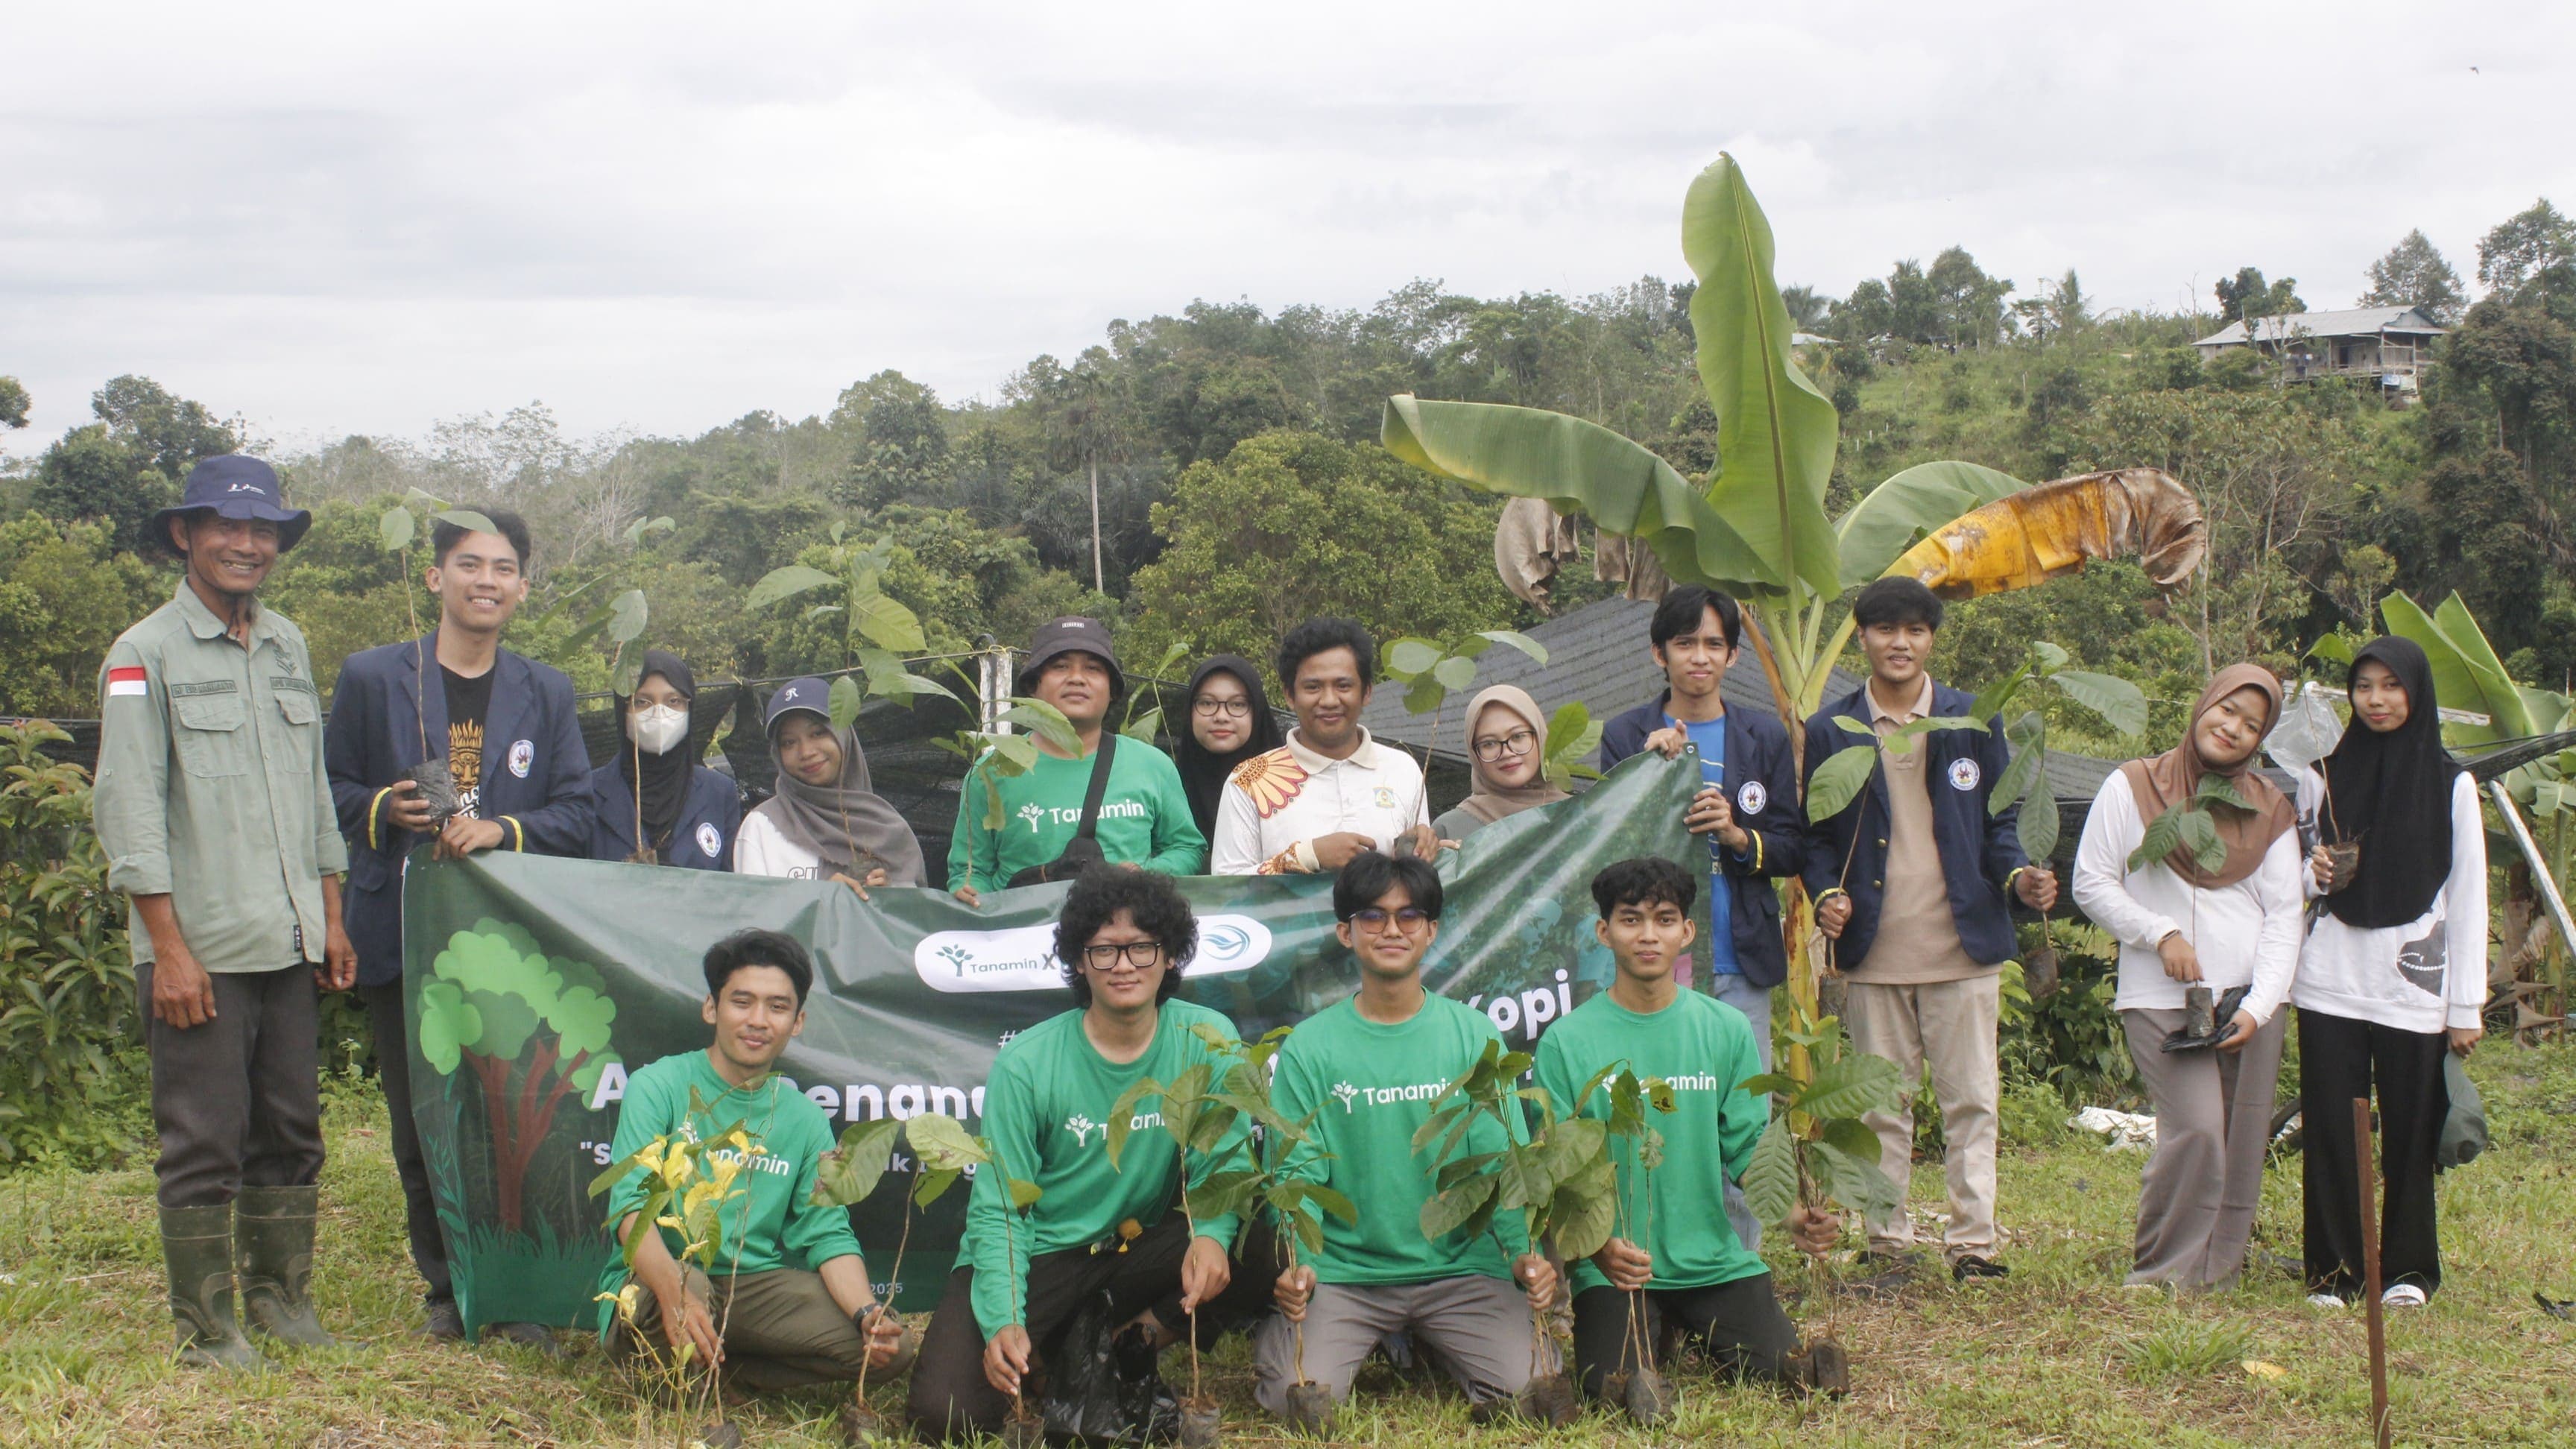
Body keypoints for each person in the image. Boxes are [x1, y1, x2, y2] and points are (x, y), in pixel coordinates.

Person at [92, 455, 359, 1369]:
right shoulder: (142, 655)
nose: (247, 545)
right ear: (185, 535)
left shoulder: (287, 645)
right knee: (203, 1141)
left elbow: (313, 792)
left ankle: (283, 1300)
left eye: (263, 531)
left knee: (290, 1132)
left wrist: (330, 916)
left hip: (287, 939)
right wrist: (167, 950)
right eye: (227, 527)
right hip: (199, 948)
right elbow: (129, 811)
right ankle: (207, 1330)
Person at [324, 508, 593, 1345]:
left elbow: (578, 810)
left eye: (503, 567)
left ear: (522, 587)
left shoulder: (545, 691)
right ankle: (447, 1286)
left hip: (507, 940)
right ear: (436, 577)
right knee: (423, 1120)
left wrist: (501, 830)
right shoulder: (375, 677)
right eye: (470, 564)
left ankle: (519, 1287)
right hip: (404, 928)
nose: (487, 581)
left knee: (514, 1117)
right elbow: (325, 789)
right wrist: (382, 806)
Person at [907, 865, 1274, 1440]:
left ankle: (1126, 1342)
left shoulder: (1207, 1038)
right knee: (945, 1414)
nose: (1124, 965)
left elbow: (1223, 1166)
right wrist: (1004, 1318)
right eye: (1104, 949)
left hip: (1134, 1247)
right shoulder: (1027, 1063)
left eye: (1141, 947)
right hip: (1041, 1256)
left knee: (1262, 1239)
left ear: (1170, 955)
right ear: (1079, 961)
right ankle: (1059, 1345)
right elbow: (1000, 1209)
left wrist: (1210, 1235)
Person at [1801, 577, 2056, 1286]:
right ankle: (1888, 1243)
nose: (1900, 643)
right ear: (1863, 638)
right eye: (1886, 629)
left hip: (1963, 945)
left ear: (1932, 639)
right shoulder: (1831, 729)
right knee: (1882, 1106)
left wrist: (2019, 879)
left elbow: (2001, 823)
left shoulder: (1972, 719)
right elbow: (1818, 837)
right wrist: (1827, 896)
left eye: (1915, 630)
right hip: (1874, 950)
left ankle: (1973, 1244)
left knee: (1971, 1101)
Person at [1254, 852, 1559, 1418]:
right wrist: (1300, 1263)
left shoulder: (1474, 1035)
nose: (1392, 930)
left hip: (1462, 1270)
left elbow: (1504, 1163)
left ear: (1432, 930)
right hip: (1345, 1275)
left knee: (1532, 1391)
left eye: (1409, 915)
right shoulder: (1310, 1048)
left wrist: (1524, 1255)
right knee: (1292, 1402)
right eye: (1373, 916)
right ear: (1345, 933)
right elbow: (1296, 1176)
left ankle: (1431, 1339)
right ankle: (1361, 1336)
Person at [1533, 858, 1838, 1399]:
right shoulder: (1566, 1041)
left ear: (1688, 931)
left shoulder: (1725, 1029)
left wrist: (1796, 1215)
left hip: (1713, 1262)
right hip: (1618, 1269)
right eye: (1631, 920)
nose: (1648, 936)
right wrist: (1599, 1249)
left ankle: (1684, 1324)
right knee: (1614, 1392)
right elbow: (1557, 1172)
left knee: (1784, 1376)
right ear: (1604, 932)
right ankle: (1657, 1328)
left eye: (1665, 919)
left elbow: (1747, 1147)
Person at [596, 929, 910, 1435]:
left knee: (894, 1351)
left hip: (750, 1289)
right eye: (742, 1002)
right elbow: (631, 1211)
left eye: (777, 1007)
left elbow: (827, 1234)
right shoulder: (659, 1086)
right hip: (664, 1279)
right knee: (689, 1285)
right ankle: (681, 1372)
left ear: (797, 1021)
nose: (758, 1020)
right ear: (711, 1008)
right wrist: (676, 1296)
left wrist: (866, 1313)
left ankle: (728, 1371)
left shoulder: (804, 1118)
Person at [2071, 664, 2302, 1291]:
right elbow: (2091, 882)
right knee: (2197, 1132)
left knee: (2241, 1139)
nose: (2233, 728)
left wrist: (2260, 1004)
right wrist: (2160, 933)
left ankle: (2215, 1272)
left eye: (2251, 725)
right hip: (2160, 997)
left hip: (2249, 1000)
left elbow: (2285, 915)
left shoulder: (2268, 806)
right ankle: (2161, 1270)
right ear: (2204, 705)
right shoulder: (2133, 785)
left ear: (2260, 740)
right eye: (2227, 710)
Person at [2294, 637, 2486, 1310]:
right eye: (2364, 686)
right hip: (2328, 979)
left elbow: (2468, 897)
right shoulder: (2320, 776)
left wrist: (2465, 1005)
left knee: (2410, 1131)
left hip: (2413, 985)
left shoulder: (2452, 785)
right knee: (2330, 1130)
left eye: (2391, 686)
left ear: (2417, 692)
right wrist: (2312, 873)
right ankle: (2333, 1273)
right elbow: (2292, 876)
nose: (2376, 700)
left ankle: (2409, 1271)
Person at [1597, 584, 1806, 1061]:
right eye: (1685, 643)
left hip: (1740, 956)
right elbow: (1608, 848)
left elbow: (1793, 848)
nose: (1699, 657)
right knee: (1662, 1090)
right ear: (1660, 653)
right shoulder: (1627, 735)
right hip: (1654, 958)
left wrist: (1737, 836)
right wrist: (1647, 773)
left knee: (1743, 1093)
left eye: (1714, 644)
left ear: (1732, 656)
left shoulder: (1764, 736)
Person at [947, 617, 1205, 900]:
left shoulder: (1152, 765)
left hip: (1125, 926)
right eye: (1060, 667)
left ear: (1112, 689)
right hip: (1025, 925)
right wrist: (970, 895)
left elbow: (1187, 848)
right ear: (1033, 686)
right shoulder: (991, 771)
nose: (1077, 678)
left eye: (1093, 669)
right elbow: (970, 873)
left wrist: (1144, 876)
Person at [1211, 619, 1444, 875]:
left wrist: (1424, 846)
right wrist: (1307, 857)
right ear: (1289, 695)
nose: (1330, 700)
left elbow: (1418, 878)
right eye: (1313, 687)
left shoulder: (1402, 769)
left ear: (1367, 692)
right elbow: (1225, 886)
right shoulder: (1248, 781)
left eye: (1343, 686)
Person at [733, 677, 926, 894]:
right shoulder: (762, 827)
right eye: (789, 742)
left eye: (818, 733)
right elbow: (752, 911)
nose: (806, 752)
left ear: (843, 734)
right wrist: (821, 899)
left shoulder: (888, 828)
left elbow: (918, 911)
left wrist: (889, 895)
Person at [584, 648, 741, 870]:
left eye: (673, 701)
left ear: (689, 707)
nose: (659, 713)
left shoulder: (719, 792)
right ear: (623, 709)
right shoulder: (588, 793)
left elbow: (730, 882)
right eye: (642, 702)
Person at [1430, 684, 1569, 842]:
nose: (1506, 753)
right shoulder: (1451, 829)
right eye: (1489, 744)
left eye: (1517, 736)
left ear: (1539, 737)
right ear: (1474, 754)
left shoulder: (1579, 813)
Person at [1173, 654, 1284, 845]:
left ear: (1257, 712)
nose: (1221, 716)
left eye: (1238, 704)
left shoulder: (1290, 790)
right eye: (1207, 703)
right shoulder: (1165, 790)